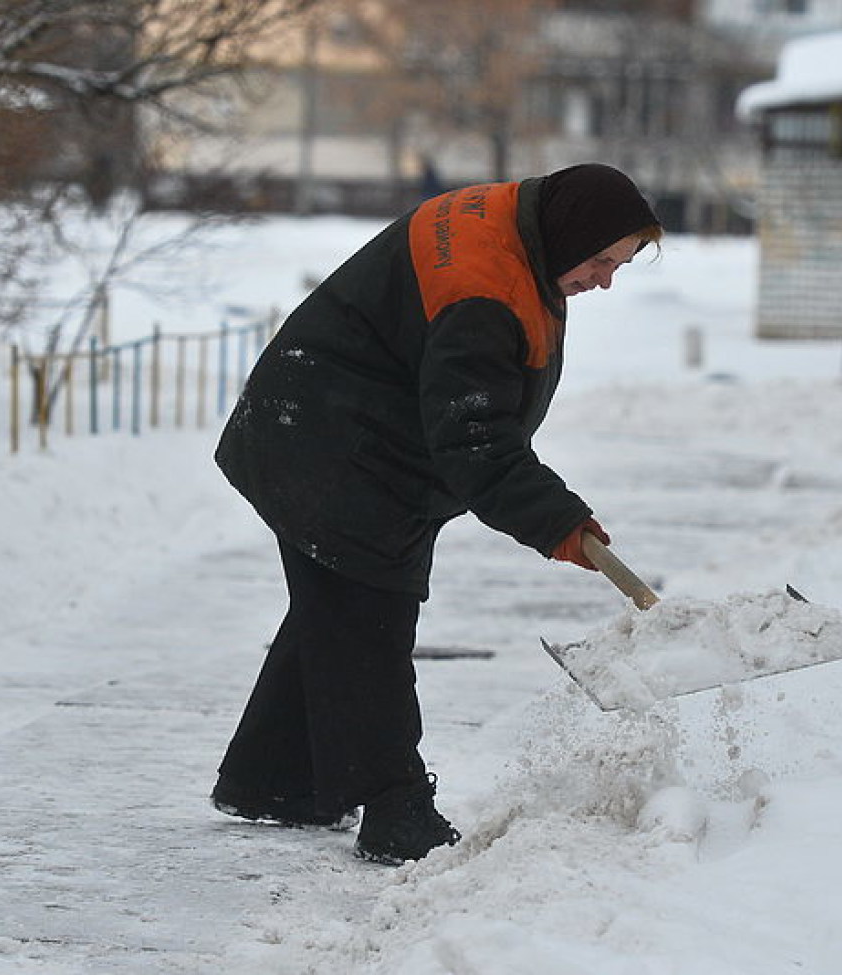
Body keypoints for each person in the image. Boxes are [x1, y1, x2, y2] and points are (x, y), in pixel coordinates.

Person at [211, 163, 663, 864]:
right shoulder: (482, 288)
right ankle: (397, 810)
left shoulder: (520, 229)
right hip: (329, 443)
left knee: (333, 611)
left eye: (619, 267)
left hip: (340, 422)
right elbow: (475, 439)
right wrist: (559, 521)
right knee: (368, 618)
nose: (605, 279)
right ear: (569, 233)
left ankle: (273, 780)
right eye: (601, 260)